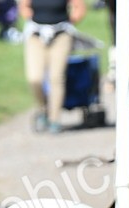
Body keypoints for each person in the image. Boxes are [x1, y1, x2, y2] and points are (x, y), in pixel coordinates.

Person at [19, 0, 86, 134]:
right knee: (34, 78)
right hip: (36, 35)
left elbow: (79, 7)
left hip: (60, 35)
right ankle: (43, 109)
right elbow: (24, 6)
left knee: (56, 78)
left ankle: (54, 119)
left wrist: (68, 22)